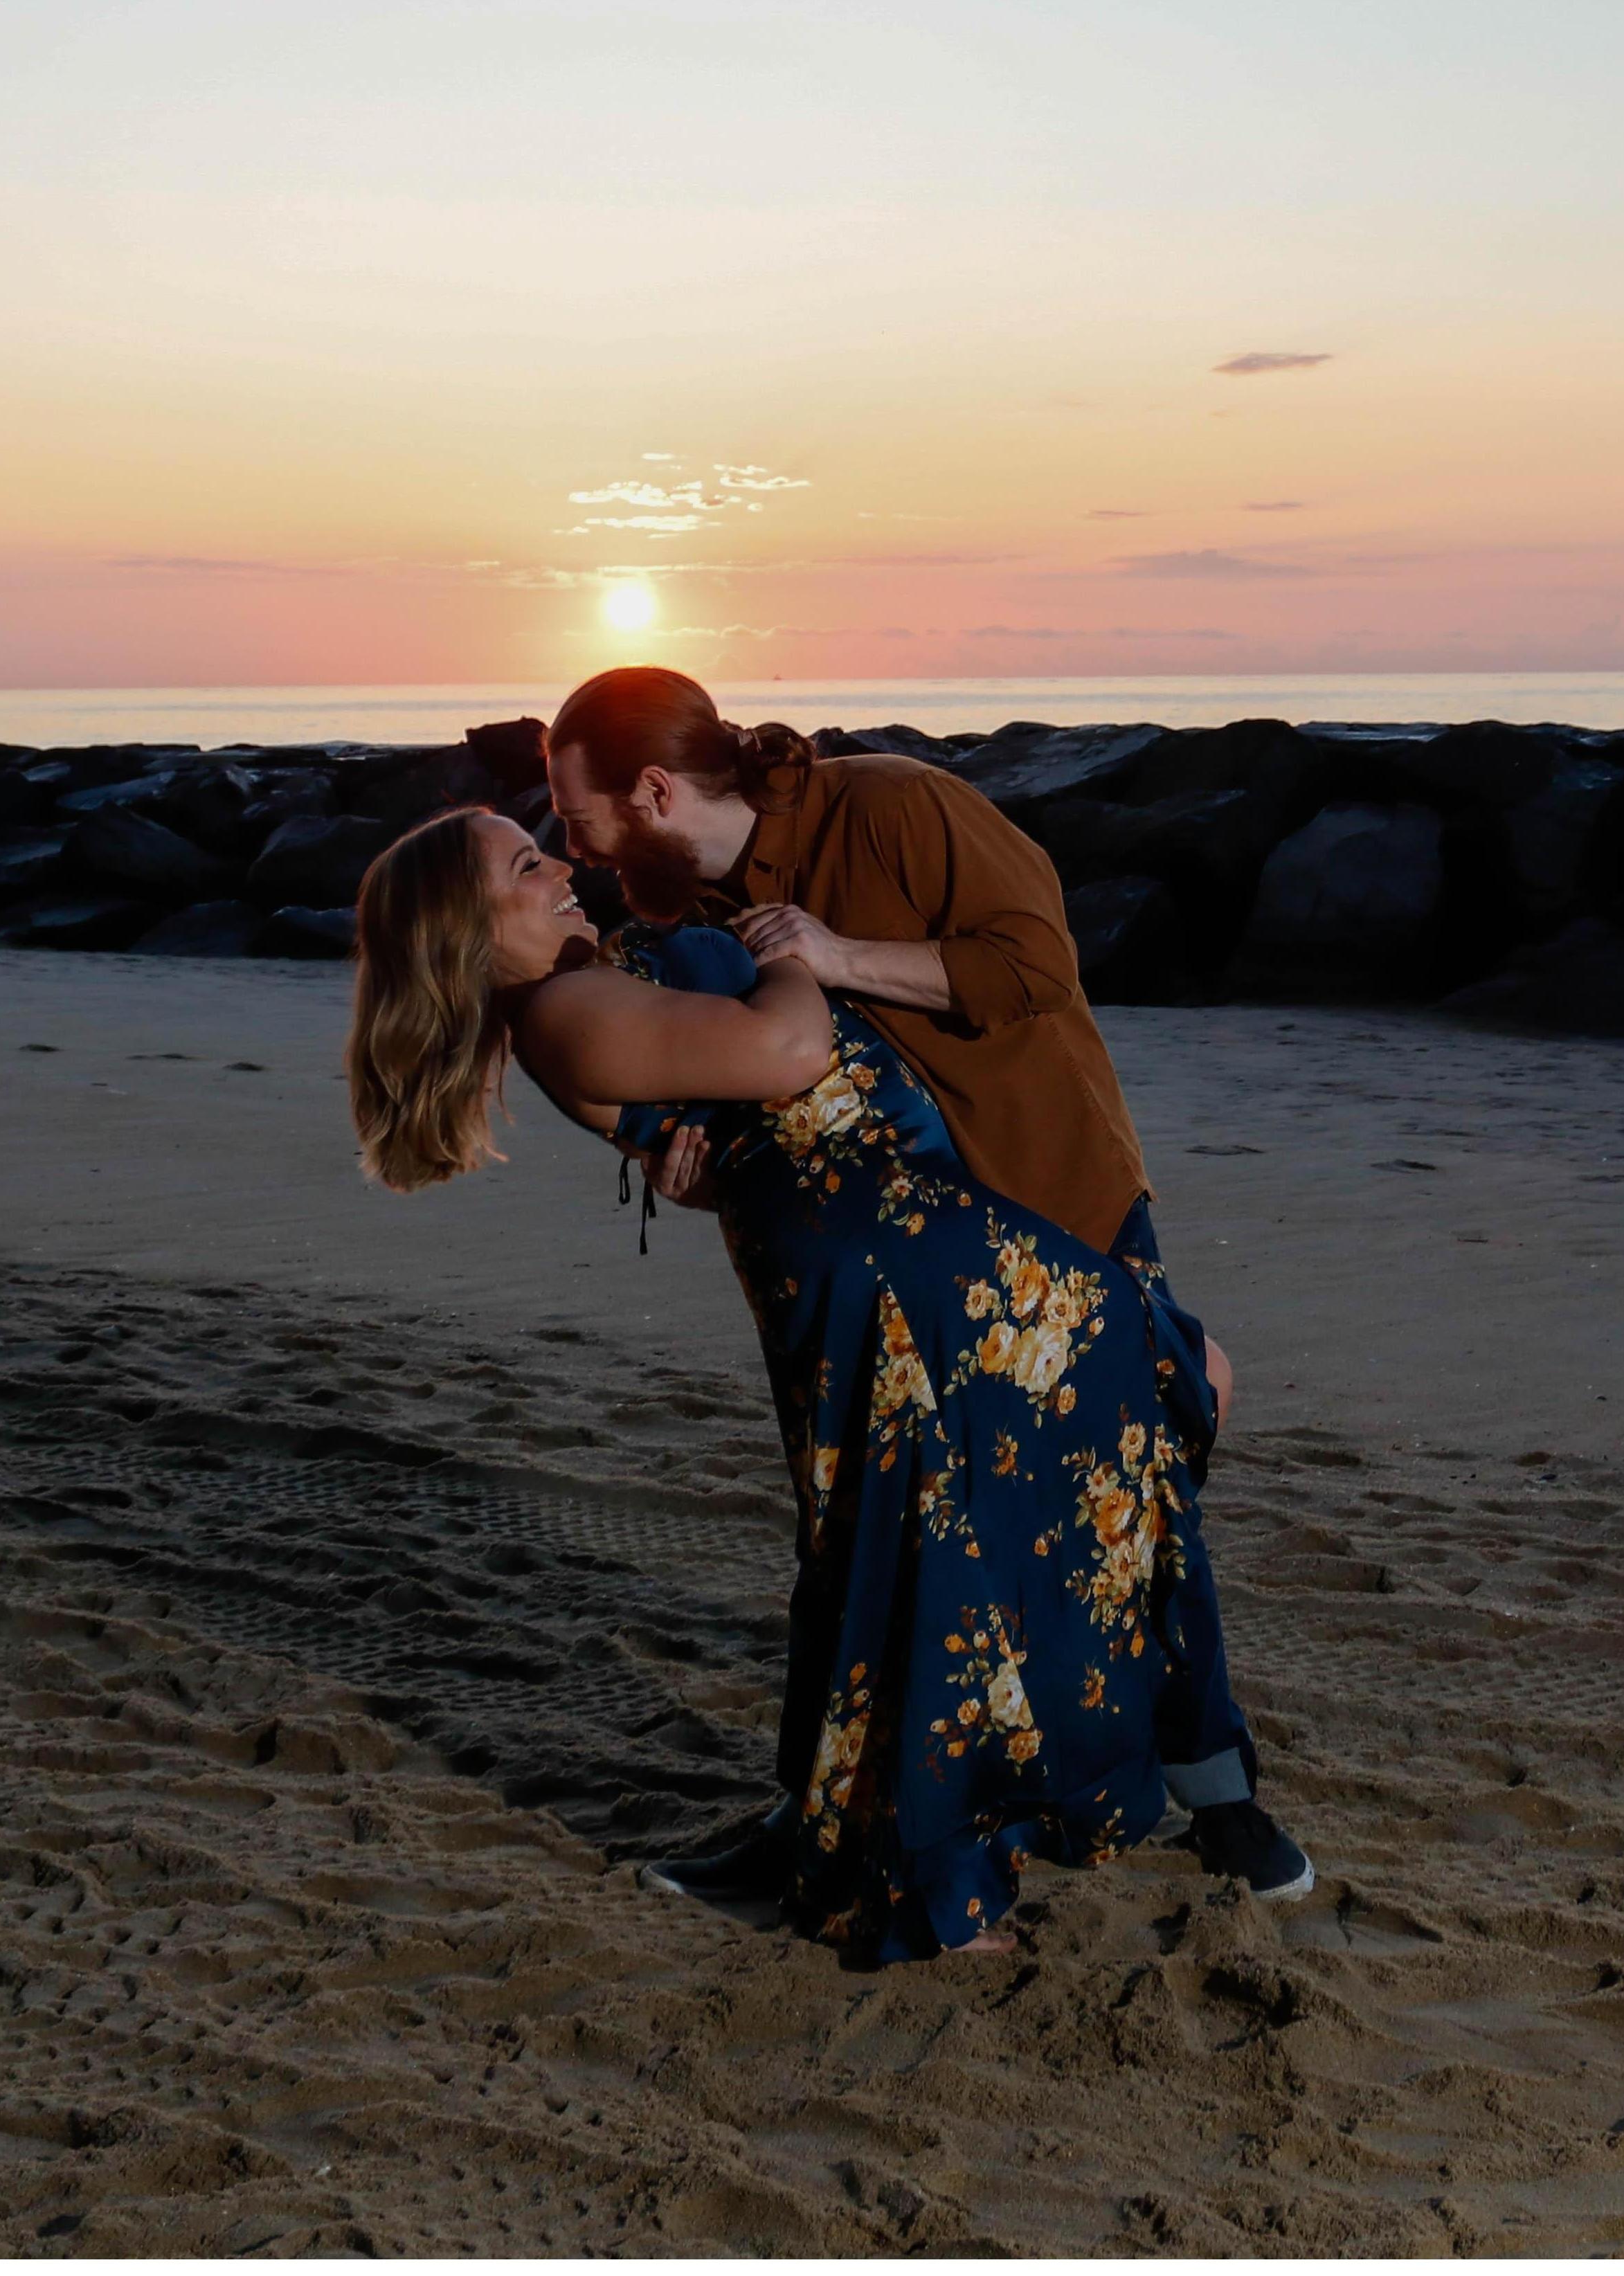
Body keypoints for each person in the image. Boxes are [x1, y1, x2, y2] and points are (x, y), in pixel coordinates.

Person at [344, 804, 1293, 1957]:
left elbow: (719, 1132)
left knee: (968, 1512)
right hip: (894, 1261)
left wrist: (715, 1109)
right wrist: (793, 960)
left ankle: (948, 1815)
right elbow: (790, 1057)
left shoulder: (590, 980)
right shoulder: (561, 1008)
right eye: (525, 863)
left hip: (913, 1239)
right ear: (464, 924)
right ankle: (945, 1856)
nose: (559, 867)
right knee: (979, 1506)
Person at [542, 667, 1307, 1906]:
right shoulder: (669, 904)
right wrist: (681, 1154)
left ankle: (1216, 1796)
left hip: (1048, 1193)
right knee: (877, 1537)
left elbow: (1037, 966)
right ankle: (858, 1820)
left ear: (653, 788)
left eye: (573, 811)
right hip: (888, 1272)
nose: (563, 841)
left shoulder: (893, 805)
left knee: (1135, 1502)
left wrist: (838, 953)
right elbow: (714, 1076)